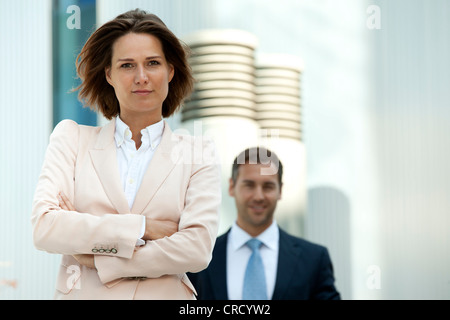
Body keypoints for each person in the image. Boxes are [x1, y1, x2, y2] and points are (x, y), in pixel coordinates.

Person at [31, 9, 221, 300]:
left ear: (170, 71)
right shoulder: (72, 139)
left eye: (153, 63)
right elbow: (46, 228)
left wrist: (100, 258)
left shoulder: (198, 153)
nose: (141, 77)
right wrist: (143, 228)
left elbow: (196, 249)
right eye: (127, 65)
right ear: (109, 74)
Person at [188, 147, 341, 300]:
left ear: (280, 190)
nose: (259, 196)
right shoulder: (198, 258)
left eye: (268, 186)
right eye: (249, 185)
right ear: (231, 187)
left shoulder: (314, 260)